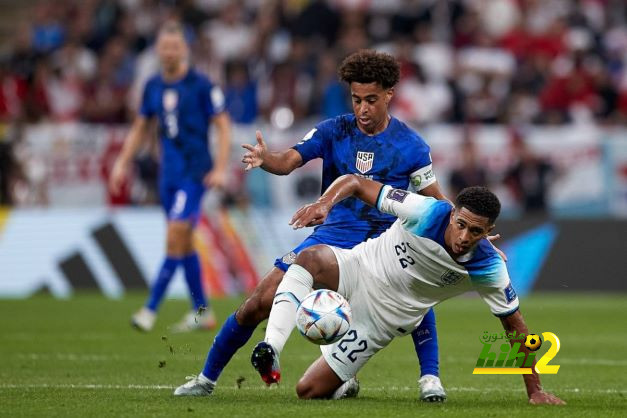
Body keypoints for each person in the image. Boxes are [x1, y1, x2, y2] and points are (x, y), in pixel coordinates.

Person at [175, 49, 449, 401]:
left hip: (383, 245)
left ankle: (430, 380)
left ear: (389, 95)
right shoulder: (335, 130)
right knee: (257, 303)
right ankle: (205, 379)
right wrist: (265, 159)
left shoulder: (411, 145)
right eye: (356, 99)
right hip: (330, 239)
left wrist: (471, 228)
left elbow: (436, 199)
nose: (362, 109)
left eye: (371, 100)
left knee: (415, 297)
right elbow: (289, 160)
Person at [253, 175, 565, 405]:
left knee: (307, 391)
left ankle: (344, 382)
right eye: (461, 224)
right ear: (452, 212)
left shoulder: (489, 268)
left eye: (476, 231)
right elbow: (356, 182)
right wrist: (325, 203)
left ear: (489, 232)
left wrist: (534, 389)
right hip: (358, 268)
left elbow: (515, 326)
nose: (464, 235)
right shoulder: (425, 211)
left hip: (382, 321)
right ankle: (272, 348)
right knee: (309, 257)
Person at [109, 22, 231, 332]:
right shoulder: (153, 86)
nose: (169, 52)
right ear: (158, 51)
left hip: (195, 174)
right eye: (164, 47)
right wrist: (122, 162)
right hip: (168, 176)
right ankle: (202, 312)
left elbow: (223, 124)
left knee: (175, 236)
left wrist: (219, 167)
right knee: (184, 242)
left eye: (174, 47)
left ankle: (149, 310)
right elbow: (140, 127)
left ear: (184, 50)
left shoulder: (202, 85)